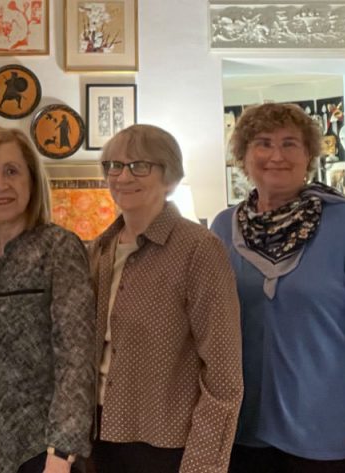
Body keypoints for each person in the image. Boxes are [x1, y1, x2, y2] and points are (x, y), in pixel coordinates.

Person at [212, 103, 345, 473]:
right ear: (243, 155)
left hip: (330, 437)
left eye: (290, 144)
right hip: (243, 434)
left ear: (309, 157)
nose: (276, 156)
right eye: (263, 143)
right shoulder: (224, 229)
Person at [92, 124, 243, 472]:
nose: (123, 176)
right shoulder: (99, 251)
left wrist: (202, 464)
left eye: (139, 165)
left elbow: (223, 377)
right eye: (113, 166)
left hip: (167, 447)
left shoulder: (199, 250)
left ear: (170, 176)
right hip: (99, 439)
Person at [0, 127, 96, 473]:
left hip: (37, 453)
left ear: (32, 181)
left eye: (11, 171)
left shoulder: (59, 248)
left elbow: (76, 356)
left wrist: (61, 453)